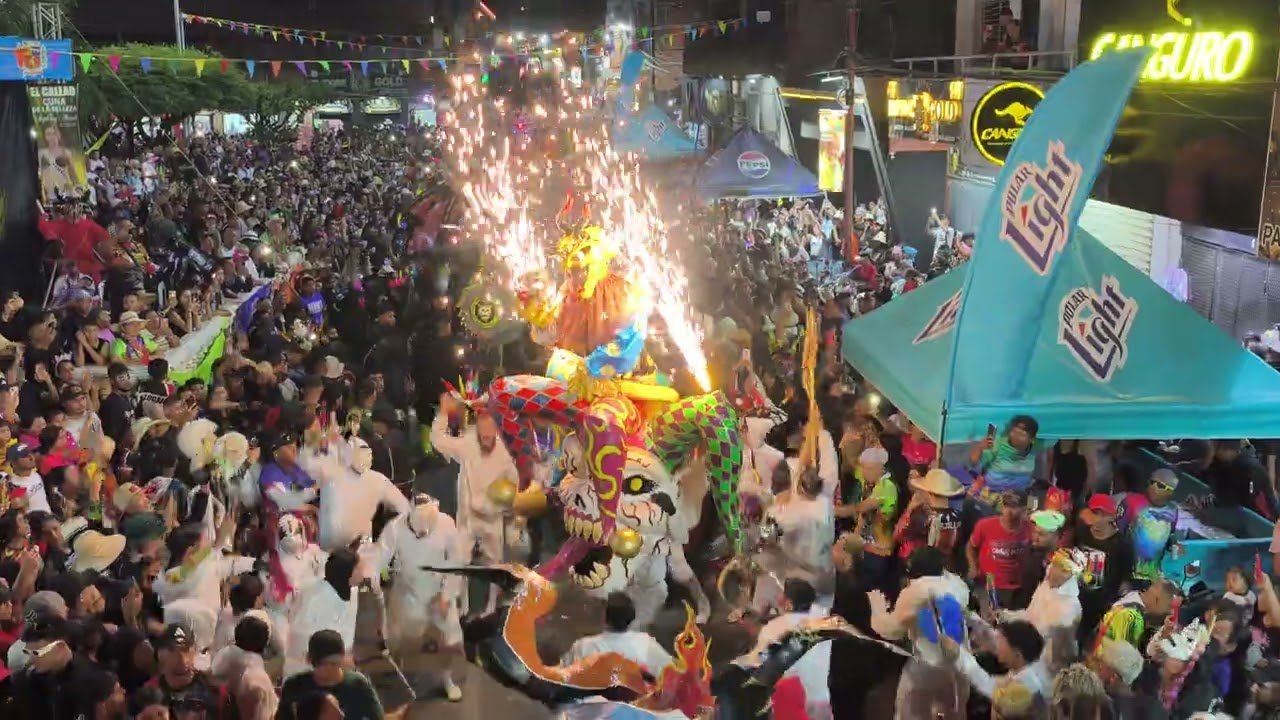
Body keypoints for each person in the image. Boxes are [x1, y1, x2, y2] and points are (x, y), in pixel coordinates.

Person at [430, 393, 519, 615]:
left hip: (492, 516)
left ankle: (490, 610)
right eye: (483, 433)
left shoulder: (507, 453)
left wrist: (506, 513)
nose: (487, 437)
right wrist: (444, 413)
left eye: (491, 433)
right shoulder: (467, 445)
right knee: (459, 558)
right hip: (468, 516)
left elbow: (514, 488)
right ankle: (457, 608)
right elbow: (438, 440)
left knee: (495, 563)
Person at [377, 493, 468, 701]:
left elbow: (456, 561)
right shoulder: (395, 527)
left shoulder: (446, 524)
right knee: (400, 638)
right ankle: (398, 668)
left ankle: (447, 679)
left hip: (438, 591)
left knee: (450, 639)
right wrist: (372, 574)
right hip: (407, 590)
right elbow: (380, 558)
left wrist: (446, 595)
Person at [284, 548, 362, 679]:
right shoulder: (313, 600)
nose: (362, 572)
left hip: (338, 669)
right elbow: (300, 640)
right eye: (358, 569)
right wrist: (335, 658)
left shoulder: (352, 592)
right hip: (307, 673)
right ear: (347, 573)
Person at [278, 629, 384, 720]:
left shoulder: (358, 685)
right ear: (309, 659)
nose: (329, 668)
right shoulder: (295, 686)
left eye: (334, 663)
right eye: (323, 664)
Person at [562, 591, 674, 675]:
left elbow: (563, 677)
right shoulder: (646, 643)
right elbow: (671, 673)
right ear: (631, 616)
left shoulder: (583, 646)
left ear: (604, 617)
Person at [145, 623, 235, 719]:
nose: (183, 661)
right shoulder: (147, 695)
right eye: (172, 651)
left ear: (195, 651)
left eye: (186, 650)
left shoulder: (217, 692)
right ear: (160, 656)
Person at [948, 619, 1050, 703]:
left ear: (1017, 655)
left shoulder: (1024, 686)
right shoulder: (1022, 672)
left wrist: (959, 654)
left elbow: (988, 686)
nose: (998, 646)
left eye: (1002, 643)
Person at [968, 489, 1032, 609]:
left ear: (1024, 509)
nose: (1008, 511)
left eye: (1013, 507)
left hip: (1018, 588)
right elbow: (971, 547)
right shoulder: (985, 525)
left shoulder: (1030, 528)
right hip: (988, 585)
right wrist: (973, 566)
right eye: (1006, 505)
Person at [1117, 468, 1181, 586]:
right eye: (1152, 482)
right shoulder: (1131, 502)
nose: (1153, 487)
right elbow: (1117, 532)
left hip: (1153, 574)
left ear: (1170, 491)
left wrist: (1173, 545)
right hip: (1127, 572)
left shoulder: (1173, 511)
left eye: (1160, 485)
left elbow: (1170, 537)